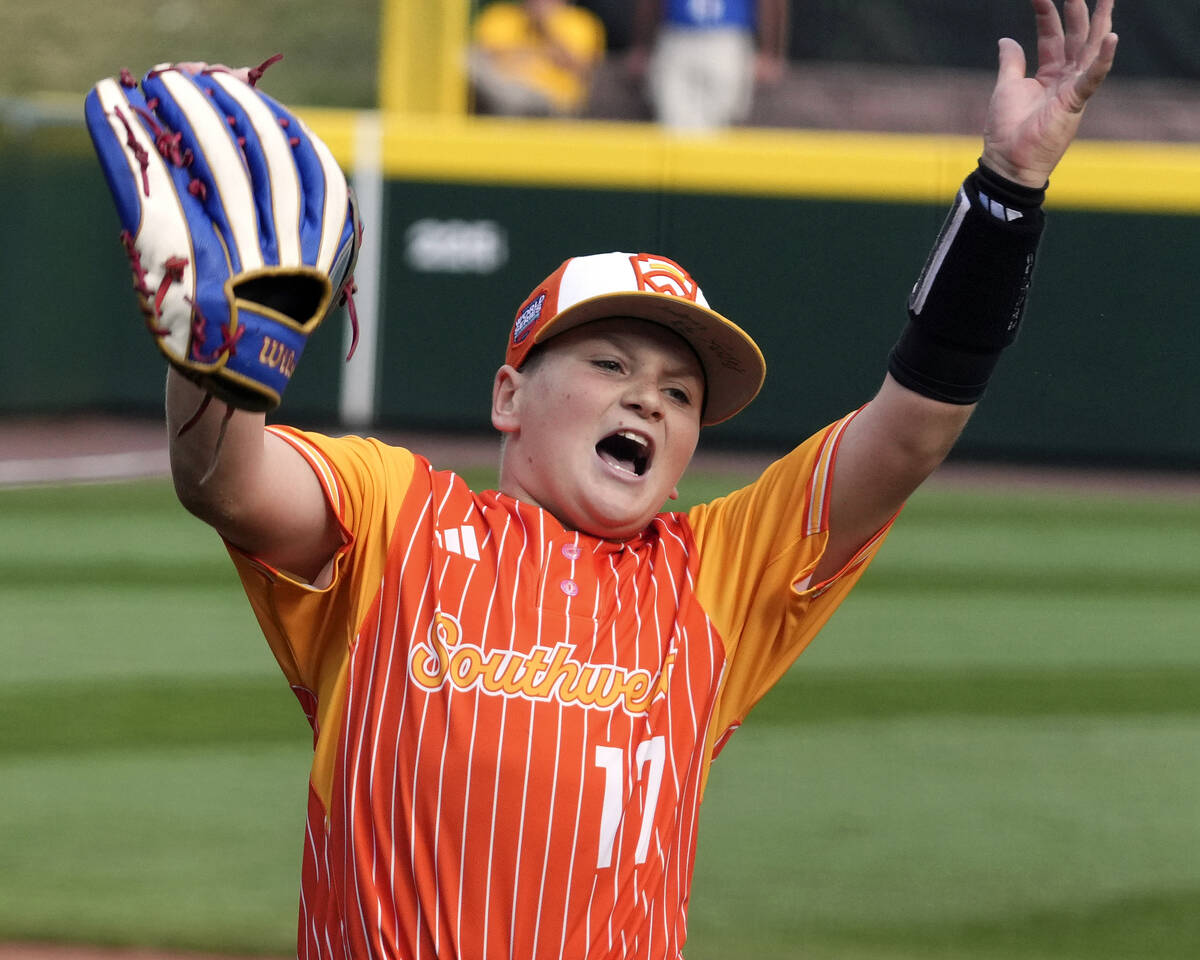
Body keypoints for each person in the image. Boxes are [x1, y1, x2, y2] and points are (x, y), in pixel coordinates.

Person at [152, 1, 1116, 955]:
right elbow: (226, 482)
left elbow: (909, 433)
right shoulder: (397, 516)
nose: (650, 402)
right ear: (509, 396)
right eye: (611, 366)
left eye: (681, 394)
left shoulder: (716, 578)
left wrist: (1006, 195)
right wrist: (219, 345)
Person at [629, 0, 789, 132]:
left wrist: (770, 52)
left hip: (727, 37)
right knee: (673, 128)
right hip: (678, 34)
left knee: (725, 127)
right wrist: (643, 47)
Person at [468, 0, 607, 117]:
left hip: (555, 102)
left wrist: (546, 28)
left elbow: (583, 71)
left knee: (517, 98)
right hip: (502, 93)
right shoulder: (501, 16)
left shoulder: (580, 23)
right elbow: (483, 62)